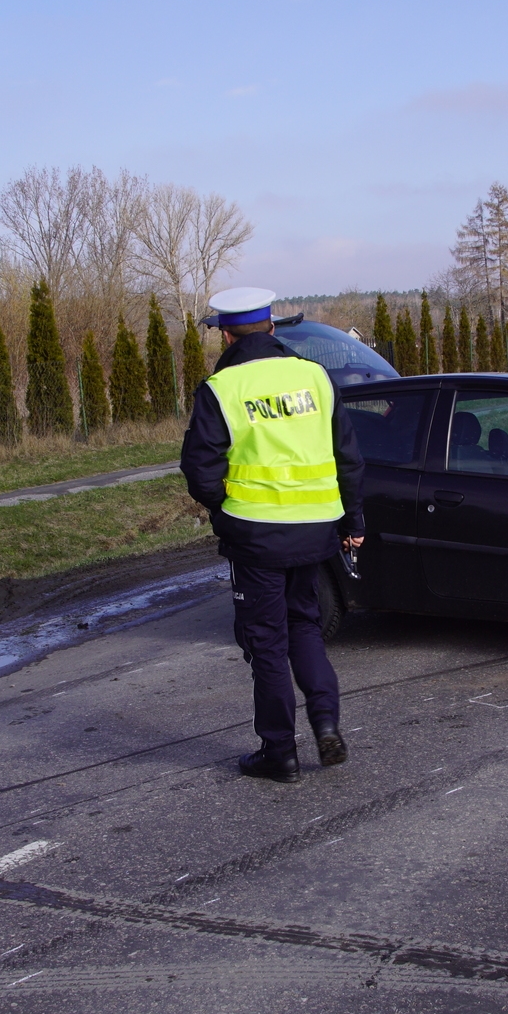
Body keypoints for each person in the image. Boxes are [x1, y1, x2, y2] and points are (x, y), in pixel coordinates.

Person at [180, 288, 366, 783]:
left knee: (267, 642)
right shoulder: (314, 377)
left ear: (225, 333)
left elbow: (199, 470)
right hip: (315, 530)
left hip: (255, 536)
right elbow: (348, 457)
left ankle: (279, 752)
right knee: (304, 626)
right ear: (273, 327)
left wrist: (227, 514)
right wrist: (353, 523)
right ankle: (326, 723)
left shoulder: (221, 388)